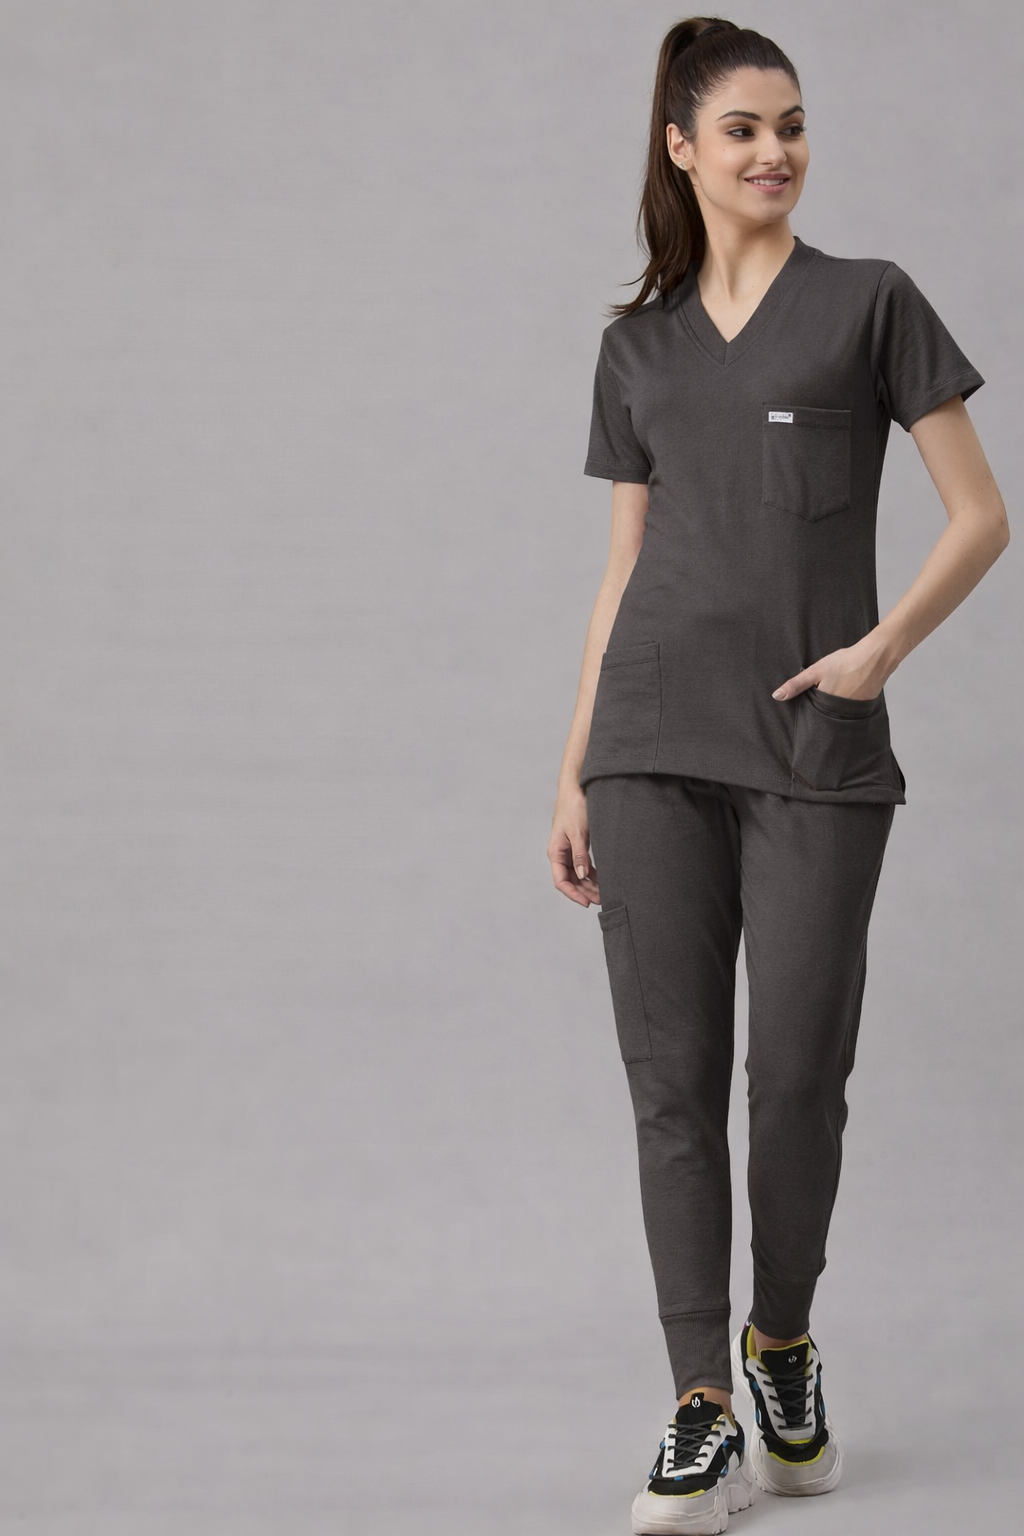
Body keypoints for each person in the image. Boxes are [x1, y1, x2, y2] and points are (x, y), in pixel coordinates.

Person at [546, 15, 1009, 1536]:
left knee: (798, 1076)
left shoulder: (871, 304)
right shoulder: (637, 348)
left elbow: (981, 517)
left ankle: (781, 1346)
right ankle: (698, 1406)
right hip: (648, 746)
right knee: (670, 1087)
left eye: (792, 124)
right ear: (683, 149)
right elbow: (623, 571)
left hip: (817, 748)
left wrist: (879, 653)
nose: (775, 151)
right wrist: (574, 768)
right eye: (743, 128)